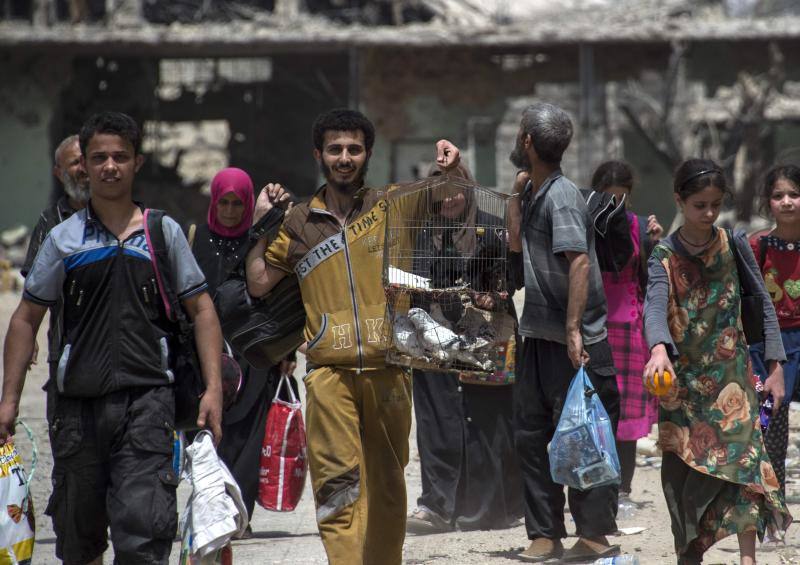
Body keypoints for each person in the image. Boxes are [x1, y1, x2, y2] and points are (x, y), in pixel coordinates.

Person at [0, 111, 224, 564]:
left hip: (148, 405)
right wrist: (8, 400)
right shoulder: (63, 240)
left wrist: (214, 389)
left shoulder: (162, 233)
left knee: (143, 536)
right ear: (83, 163)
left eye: (120, 157)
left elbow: (202, 310)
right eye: (99, 157)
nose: (109, 166)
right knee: (79, 542)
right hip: (76, 411)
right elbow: (26, 319)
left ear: (137, 163)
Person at [245, 108, 460, 565]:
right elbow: (259, 281)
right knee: (337, 485)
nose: (345, 158)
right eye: (335, 149)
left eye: (354, 149)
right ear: (319, 155)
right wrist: (259, 226)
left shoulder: (391, 204)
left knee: (387, 485)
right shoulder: (298, 221)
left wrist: (453, 164)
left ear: (367, 155)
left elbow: (451, 194)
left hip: (389, 371)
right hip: (329, 376)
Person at [643, 158, 792, 565]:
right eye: (699, 206)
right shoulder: (662, 255)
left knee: (745, 468)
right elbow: (654, 307)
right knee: (683, 478)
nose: (708, 214)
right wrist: (658, 348)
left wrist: (775, 367)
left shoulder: (733, 244)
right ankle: (689, 553)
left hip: (734, 380)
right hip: (682, 387)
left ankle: (748, 560)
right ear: (680, 201)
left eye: (715, 204)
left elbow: (762, 304)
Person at [508, 102, 621, 562]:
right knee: (533, 435)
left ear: (528, 143)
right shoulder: (536, 191)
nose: (518, 139)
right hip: (538, 334)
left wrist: (574, 328)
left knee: (583, 434)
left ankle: (593, 534)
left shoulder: (561, 196)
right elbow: (516, 245)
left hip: (577, 342)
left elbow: (577, 260)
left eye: (520, 133)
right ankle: (545, 533)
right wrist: (516, 195)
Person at [406, 166, 523, 534]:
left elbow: (511, 277)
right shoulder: (420, 233)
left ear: (470, 189)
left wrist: (490, 294)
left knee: (488, 422)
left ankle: (487, 508)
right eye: (441, 191)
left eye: (457, 189)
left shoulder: (491, 226)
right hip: (432, 340)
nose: (450, 198)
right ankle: (437, 505)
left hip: (484, 338)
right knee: (436, 422)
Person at [191, 166, 298, 535]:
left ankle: (239, 514)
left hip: (254, 354)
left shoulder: (261, 240)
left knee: (249, 437)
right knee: (209, 431)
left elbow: (283, 293)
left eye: (239, 203)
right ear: (214, 203)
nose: (232, 211)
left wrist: (287, 350)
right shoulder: (196, 239)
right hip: (207, 354)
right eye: (226, 202)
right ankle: (212, 507)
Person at [591, 160, 662, 499]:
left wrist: (655, 244)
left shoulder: (639, 228)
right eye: (607, 197)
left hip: (630, 334)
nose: (613, 205)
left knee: (627, 419)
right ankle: (594, 485)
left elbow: (648, 283)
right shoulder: (585, 225)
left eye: (620, 198)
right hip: (595, 330)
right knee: (594, 411)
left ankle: (623, 489)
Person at [748, 164, 800, 493]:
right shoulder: (758, 246)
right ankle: (771, 501)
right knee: (769, 425)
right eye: (778, 195)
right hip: (771, 346)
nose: (787, 201)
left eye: (794, 194)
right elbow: (748, 300)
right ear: (768, 203)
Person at [21, 134, 90, 369]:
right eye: (74, 163)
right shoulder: (51, 221)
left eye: (86, 160)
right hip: (66, 351)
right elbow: (35, 286)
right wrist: (30, 335)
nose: (82, 169)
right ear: (58, 173)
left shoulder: (121, 216)